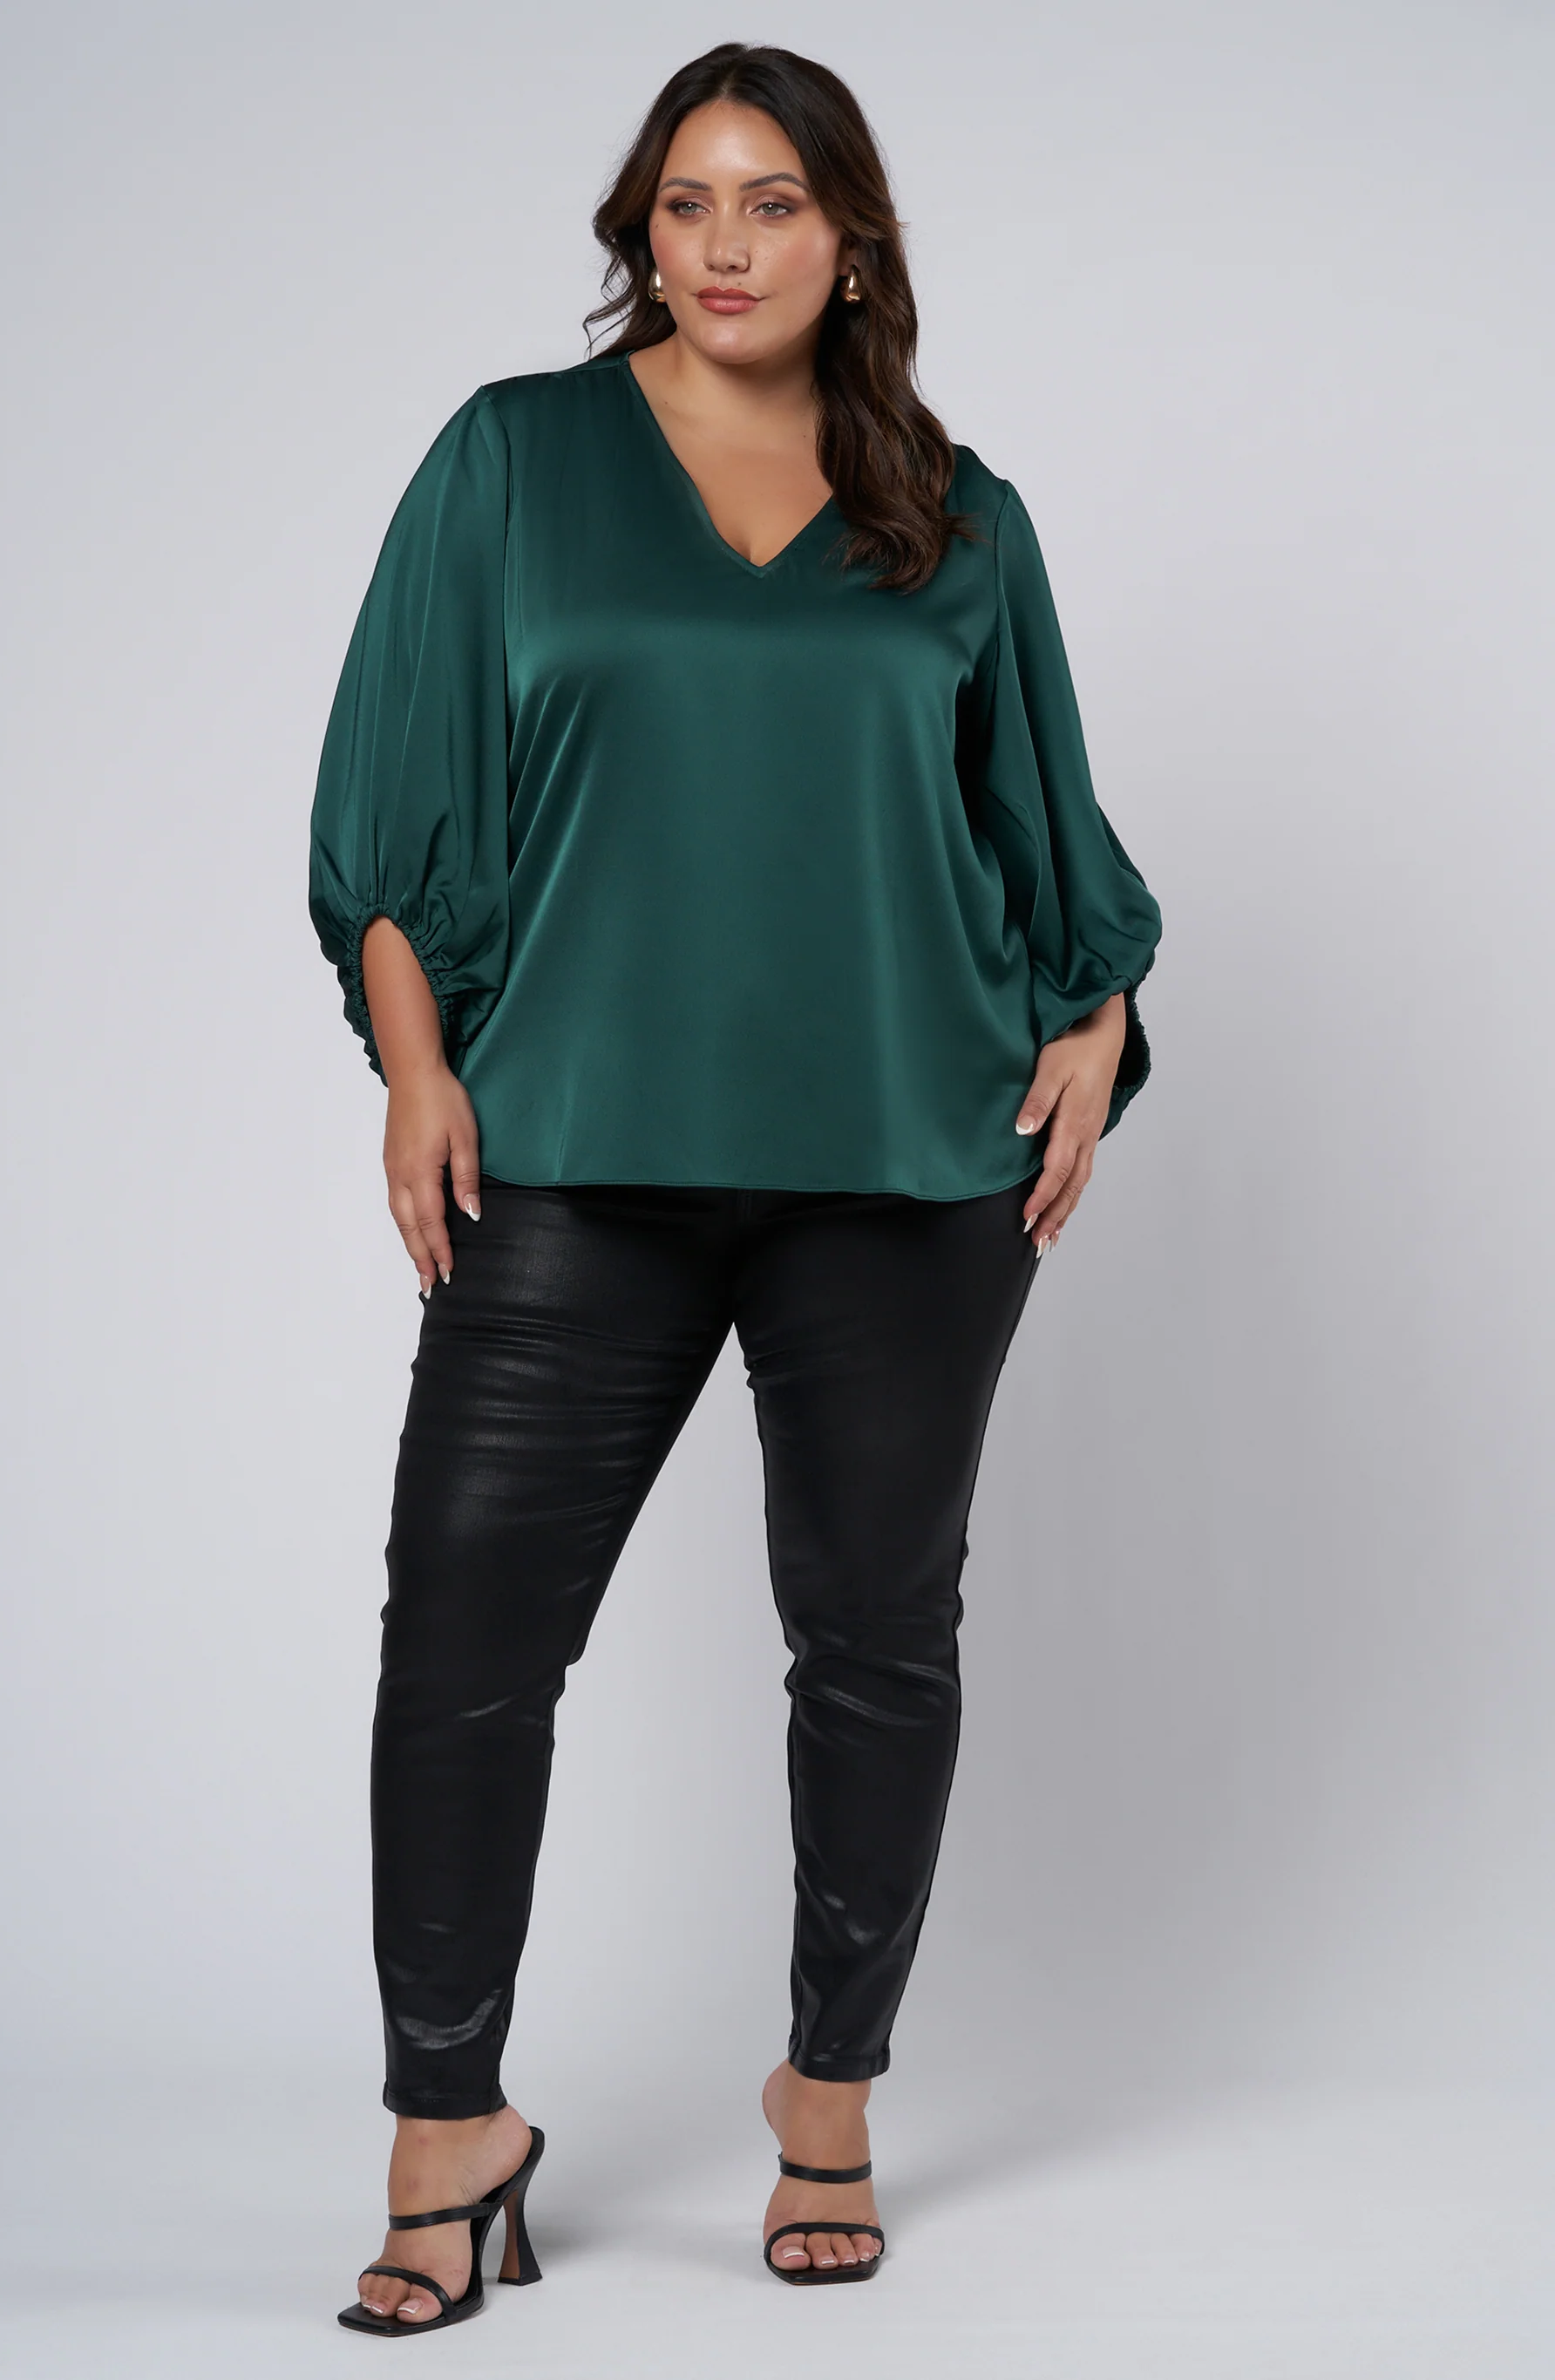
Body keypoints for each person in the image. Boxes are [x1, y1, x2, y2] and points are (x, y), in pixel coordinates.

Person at [310, 41, 1162, 2336]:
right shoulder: (515, 463)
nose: (721, 243)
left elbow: (1049, 839)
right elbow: (393, 796)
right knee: (464, 1645)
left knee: (874, 1646)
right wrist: (415, 1069)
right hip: (574, 1151)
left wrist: (1098, 1019)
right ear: (641, 231)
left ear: (852, 241)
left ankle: (827, 2099)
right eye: (684, 201)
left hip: (904, 1167)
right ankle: (448, 2135)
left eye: (773, 201)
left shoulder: (956, 518)